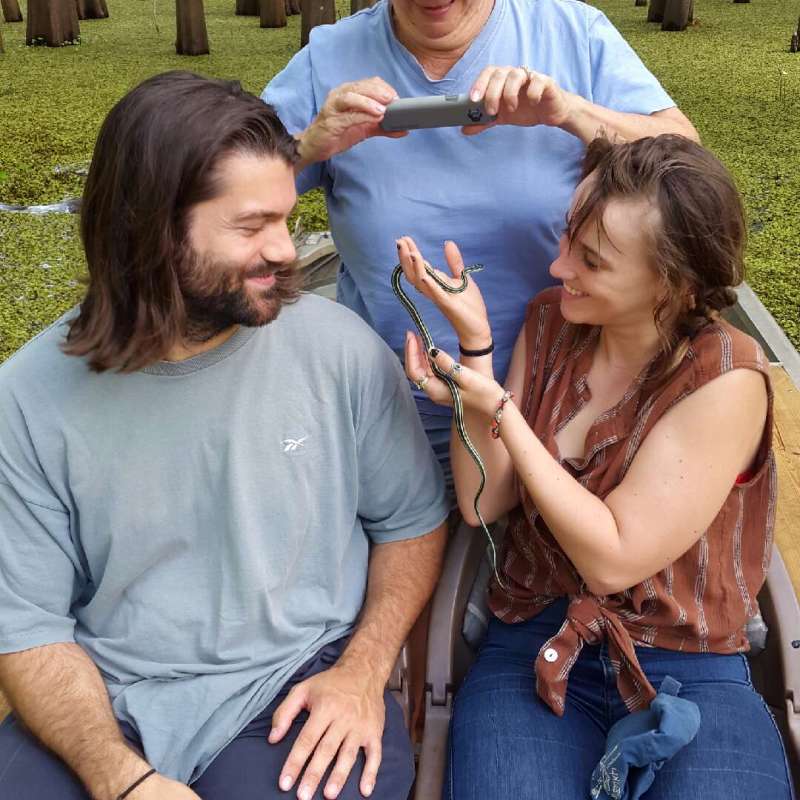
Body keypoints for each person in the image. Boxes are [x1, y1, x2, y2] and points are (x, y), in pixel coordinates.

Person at [0, 71, 450, 800]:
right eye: (251, 226)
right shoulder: (25, 398)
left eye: (285, 218)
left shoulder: (338, 350)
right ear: (152, 227)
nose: (283, 250)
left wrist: (363, 671)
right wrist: (123, 780)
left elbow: (411, 523)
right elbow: (26, 627)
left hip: (292, 688)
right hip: (105, 693)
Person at [399, 134, 792, 798]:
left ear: (673, 283)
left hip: (687, 662)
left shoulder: (727, 377)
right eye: (566, 242)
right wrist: (475, 351)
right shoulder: (551, 324)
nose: (558, 269)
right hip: (532, 644)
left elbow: (613, 557)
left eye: (592, 260)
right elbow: (482, 502)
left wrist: (506, 414)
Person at [263, 0, 698, 478]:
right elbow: (220, 195)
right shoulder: (329, 56)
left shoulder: (573, 33)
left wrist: (570, 112)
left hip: (560, 419)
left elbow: (684, 161)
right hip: (380, 423)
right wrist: (309, 145)